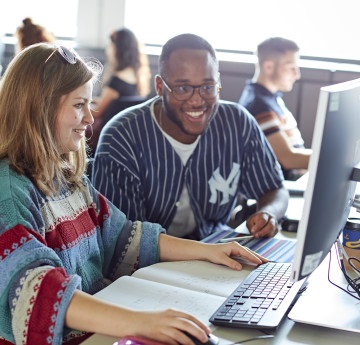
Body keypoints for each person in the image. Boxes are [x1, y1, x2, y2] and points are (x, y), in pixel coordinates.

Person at [0, 43, 268, 345]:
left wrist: (209, 250)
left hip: (97, 330)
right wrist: (142, 323)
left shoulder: (68, 179)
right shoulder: (10, 194)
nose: (90, 118)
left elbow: (121, 236)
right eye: (79, 105)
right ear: (39, 108)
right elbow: (36, 292)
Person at [92, 33, 289, 241]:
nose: (197, 100)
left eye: (207, 87)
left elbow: (275, 189)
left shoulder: (237, 122)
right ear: (160, 87)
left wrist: (269, 214)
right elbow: (122, 241)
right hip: (147, 266)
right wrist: (204, 254)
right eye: (183, 88)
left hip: (216, 251)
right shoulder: (122, 136)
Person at [239, 37, 312, 180]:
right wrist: (335, 159)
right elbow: (289, 158)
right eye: (291, 67)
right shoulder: (260, 106)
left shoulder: (271, 98)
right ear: (268, 67)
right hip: (281, 186)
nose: (297, 75)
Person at [87, 28, 151, 154]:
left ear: (118, 49)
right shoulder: (136, 77)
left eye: (110, 45)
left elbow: (96, 113)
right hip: (125, 134)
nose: (108, 49)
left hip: (105, 133)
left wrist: (75, 106)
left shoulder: (117, 81)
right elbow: (110, 103)